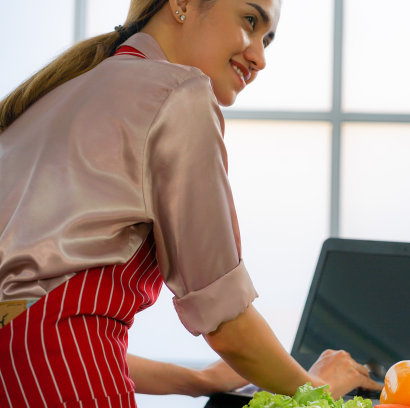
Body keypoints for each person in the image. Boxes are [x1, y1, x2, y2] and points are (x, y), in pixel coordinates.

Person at [0, 0, 382, 406]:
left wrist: (197, 380)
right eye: (250, 21)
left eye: (267, 40)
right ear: (181, 4)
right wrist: (321, 390)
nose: (259, 56)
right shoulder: (180, 91)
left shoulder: (57, 92)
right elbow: (227, 325)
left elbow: (35, 323)